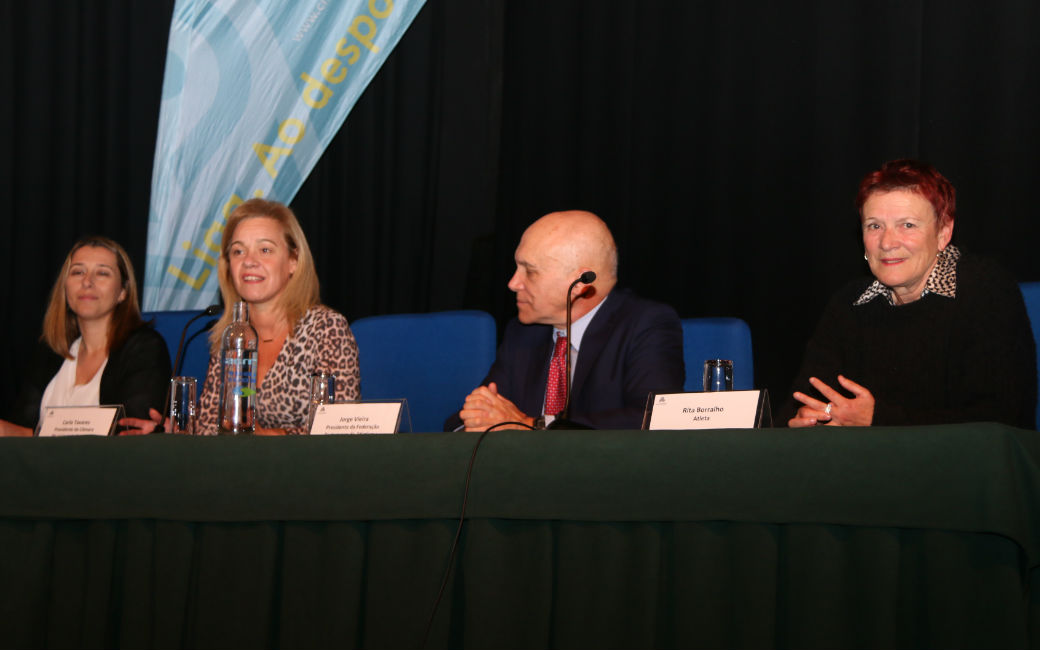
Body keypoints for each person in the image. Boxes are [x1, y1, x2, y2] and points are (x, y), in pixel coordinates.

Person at [785, 159, 1036, 428]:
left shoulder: (985, 292)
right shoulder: (848, 304)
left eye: (907, 225)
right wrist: (806, 421)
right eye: (874, 226)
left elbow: (1001, 420)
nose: (887, 243)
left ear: (943, 232)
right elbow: (800, 403)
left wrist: (877, 420)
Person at [124, 199, 360, 435]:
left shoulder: (326, 328)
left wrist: (263, 436)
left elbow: (338, 429)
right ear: (228, 266)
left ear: (293, 261)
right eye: (238, 251)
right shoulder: (230, 335)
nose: (248, 261)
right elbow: (211, 428)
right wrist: (174, 432)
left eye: (265, 249)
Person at [451, 210, 684, 431]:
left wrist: (533, 425)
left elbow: (652, 419)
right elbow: (471, 417)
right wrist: (476, 420)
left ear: (580, 283)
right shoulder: (522, 332)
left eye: (530, 271)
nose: (513, 283)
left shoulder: (644, 325)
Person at [2, 236, 171, 436]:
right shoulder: (51, 350)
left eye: (102, 273)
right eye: (78, 272)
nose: (87, 282)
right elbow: (25, 433)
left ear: (123, 292)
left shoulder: (144, 348)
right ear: (65, 287)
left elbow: (132, 432)